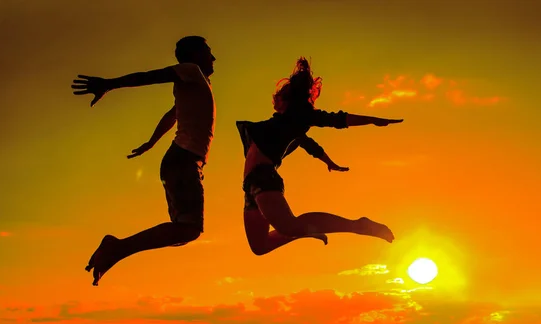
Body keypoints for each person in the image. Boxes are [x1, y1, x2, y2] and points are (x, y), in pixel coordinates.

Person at [71, 36, 216, 286]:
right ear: (194, 55)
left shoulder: (196, 83)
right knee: (188, 229)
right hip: (183, 160)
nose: (213, 58)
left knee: (185, 230)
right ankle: (116, 248)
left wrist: (151, 142)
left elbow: (173, 115)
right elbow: (149, 76)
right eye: (208, 52)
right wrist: (109, 84)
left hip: (182, 161)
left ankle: (116, 248)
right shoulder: (190, 70)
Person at [236, 57, 402, 256]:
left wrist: (372, 120)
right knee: (260, 246)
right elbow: (308, 144)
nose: (275, 101)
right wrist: (328, 161)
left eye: (279, 98)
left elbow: (337, 119)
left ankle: (358, 225)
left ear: (288, 100)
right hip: (250, 185)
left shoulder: (301, 115)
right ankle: (303, 229)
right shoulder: (283, 125)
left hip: (264, 178)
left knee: (289, 226)